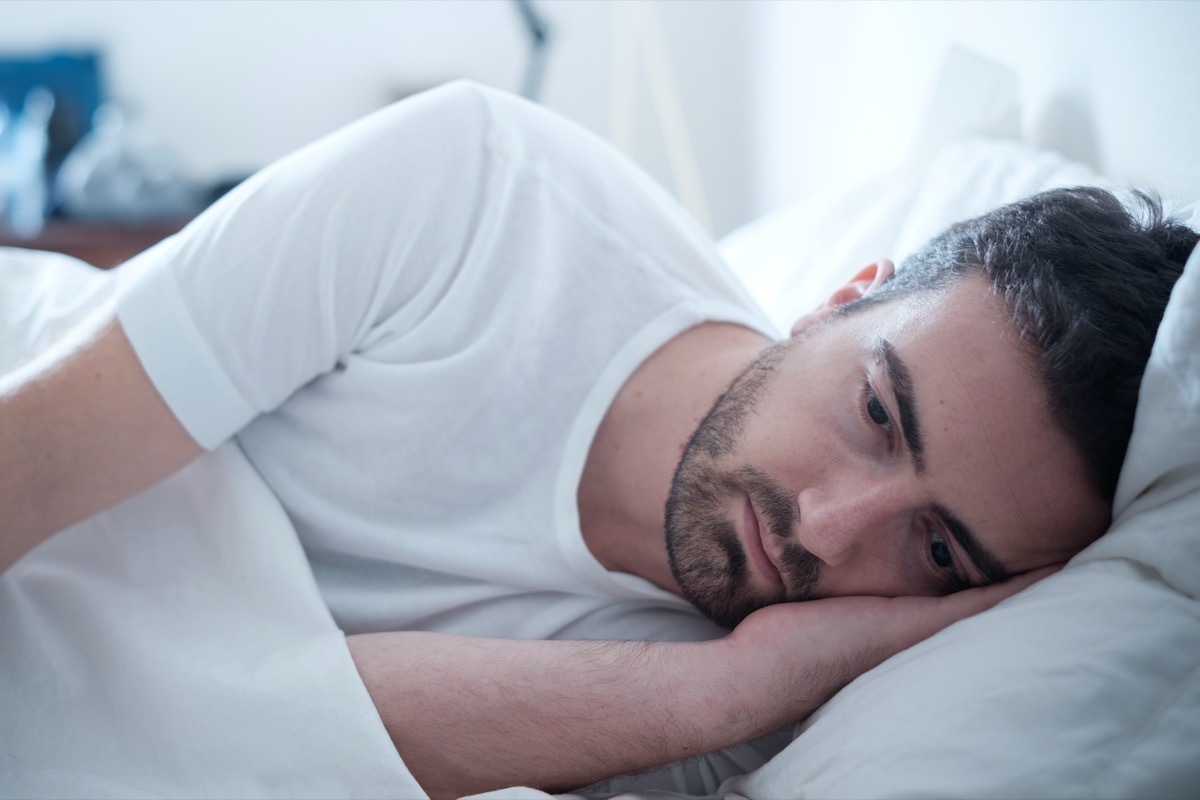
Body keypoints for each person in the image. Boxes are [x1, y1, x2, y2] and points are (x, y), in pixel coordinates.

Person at [0, 81, 1194, 798]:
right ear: (846, 291)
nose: (828, 528)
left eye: (938, 550)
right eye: (877, 413)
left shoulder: (780, 689)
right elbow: (36, 454)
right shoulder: (477, 193)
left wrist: (743, 680)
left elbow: (293, 726)